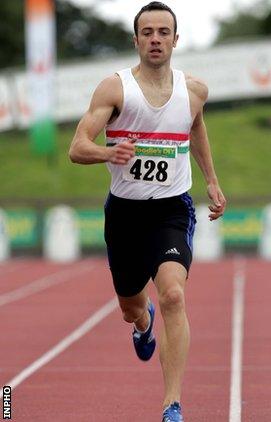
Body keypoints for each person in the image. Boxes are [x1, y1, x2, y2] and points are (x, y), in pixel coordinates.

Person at [69, 2, 226, 421]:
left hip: (172, 210)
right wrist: (108, 151)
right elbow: (77, 147)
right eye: (147, 32)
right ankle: (142, 322)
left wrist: (210, 179)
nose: (155, 39)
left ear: (176, 40)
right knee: (129, 306)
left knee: (173, 294)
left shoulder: (194, 90)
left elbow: (195, 126)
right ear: (136, 39)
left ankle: (171, 405)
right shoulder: (114, 89)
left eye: (163, 32)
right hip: (124, 214)